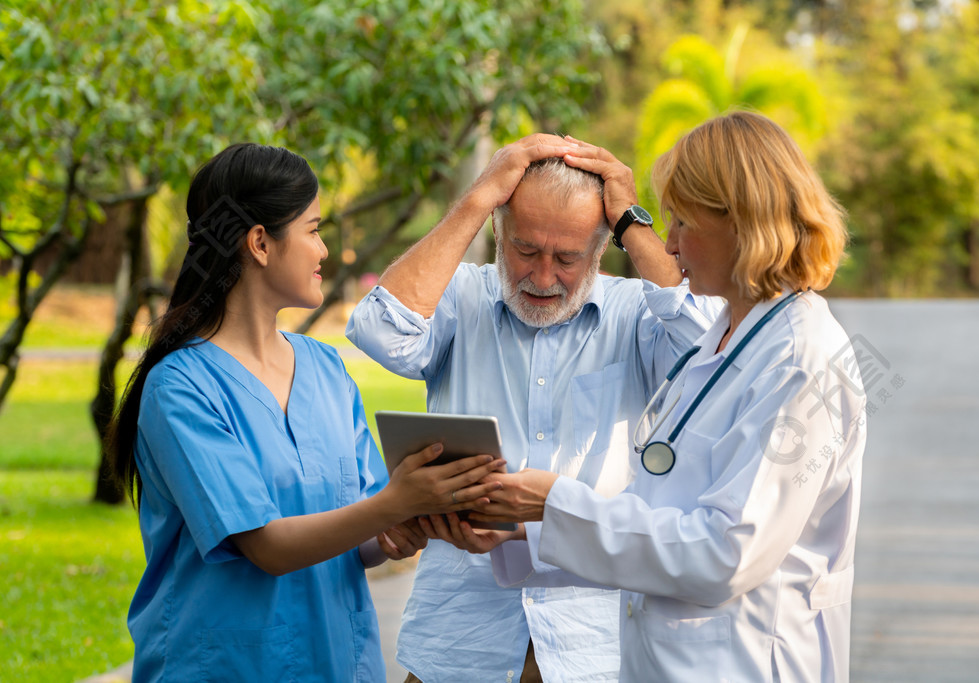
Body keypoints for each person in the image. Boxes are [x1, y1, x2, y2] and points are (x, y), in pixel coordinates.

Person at [435, 111, 867, 682]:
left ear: (739, 224)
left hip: (746, 662)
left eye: (681, 222)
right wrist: (521, 530)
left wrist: (554, 503)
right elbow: (658, 517)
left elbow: (724, 553)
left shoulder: (800, 357)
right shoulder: (729, 339)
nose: (666, 241)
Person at [106, 143, 505, 682]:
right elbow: (266, 546)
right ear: (260, 243)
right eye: (314, 229)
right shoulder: (180, 387)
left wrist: (397, 527)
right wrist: (392, 503)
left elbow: (358, 529)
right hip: (222, 668)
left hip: (335, 664)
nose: (324, 249)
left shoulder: (325, 369)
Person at [346, 133, 720, 682]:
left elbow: (713, 346)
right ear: (498, 233)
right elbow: (379, 331)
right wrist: (477, 199)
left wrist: (632, 221)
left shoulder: (637, 312)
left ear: (600, 248)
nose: (543, 278)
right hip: (457, 642)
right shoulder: (461, 296)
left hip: (593, 647)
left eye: (568, 258)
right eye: (525, 250)